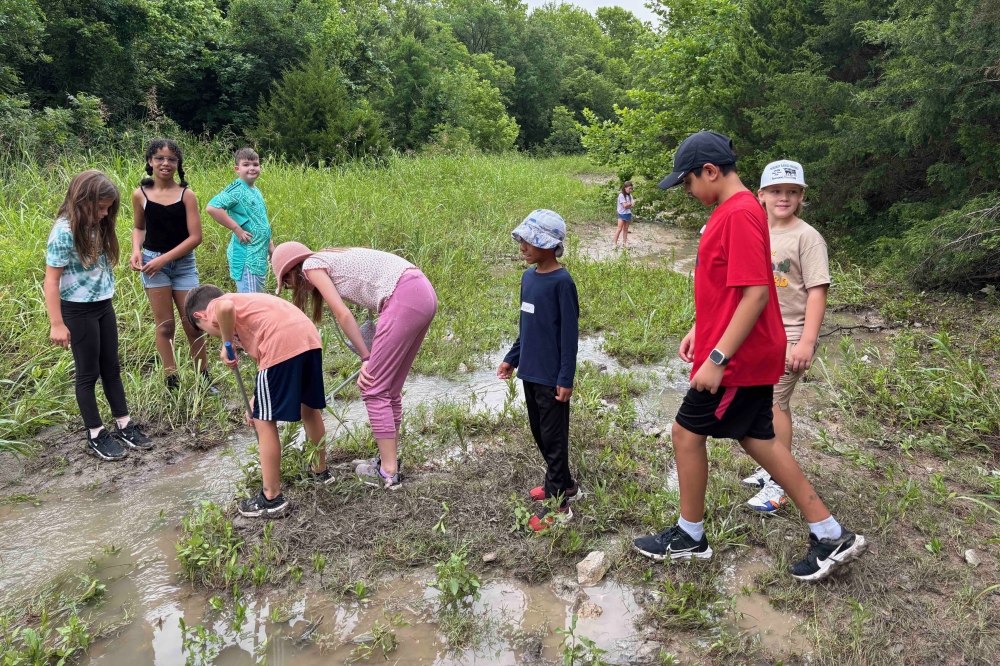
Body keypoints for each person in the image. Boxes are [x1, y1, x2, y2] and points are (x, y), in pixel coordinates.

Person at [632, 132, 865, 581]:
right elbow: (729, 288)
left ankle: (690, 535)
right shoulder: (737, 211)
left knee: (685, 433)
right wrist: (700, 329)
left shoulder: (738, 213)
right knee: (758, 438)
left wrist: (717, 358)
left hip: (738, 359)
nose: (687, 191)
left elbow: (757, 294)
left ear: (710, 171)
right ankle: (830, 532)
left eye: (687, 182)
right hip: (745, 350)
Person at [271, 242, 438, 490]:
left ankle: (388, 473)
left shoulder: (311, 266)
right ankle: (388, 461)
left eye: (286, 283)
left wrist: (366, 357)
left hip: (404, 296)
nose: (290, 288)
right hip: (422, 292)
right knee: (389, 389)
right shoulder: (328, 257)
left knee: (373, 387)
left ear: (290, 271)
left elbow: (343, 314)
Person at [186, 285, 332, 518]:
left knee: (264, 421)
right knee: (309, 410)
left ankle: (271, 497)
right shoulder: (249, 305)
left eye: (205, 330)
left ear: (200, 316)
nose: (212, 333)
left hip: (281, 344)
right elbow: (267, 368)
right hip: (308, 339)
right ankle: (320, 472)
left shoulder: (217, 305)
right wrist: (257, 398)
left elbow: (224, 307)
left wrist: (227, 343)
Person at [44, 170, 153, 461]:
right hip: (77, 310)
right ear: (82, 200)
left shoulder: (97, 225)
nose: (105, 214)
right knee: (88, 373)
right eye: (101, 208)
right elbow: (51, 281)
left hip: (104, 304)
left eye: (108, 208)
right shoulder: (63, 232)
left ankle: (124, 424)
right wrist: (57, 323)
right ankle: (95, 433)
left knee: (112, 368)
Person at [742, 160, 830, 513]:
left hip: (791, 334)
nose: (784, 197)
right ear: (760, 195)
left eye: (792, 191)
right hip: (759, 334)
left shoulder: (807, 237)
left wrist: (806, 341)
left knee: (775, 405)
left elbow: (817, 291)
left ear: (801, 196)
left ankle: (780, 483)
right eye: (776, 191)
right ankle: (772, 466)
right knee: (763, 403)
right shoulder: (756, 231)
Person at [497, 210, 580, 532]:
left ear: (548, 245)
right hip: (530, 373)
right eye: (521, 240)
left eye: (529, 241)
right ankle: (565, 484)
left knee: (554, 439)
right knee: (540, 433)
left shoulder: (562, 283)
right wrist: (512, 357)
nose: (522, 247)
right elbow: (526, 326)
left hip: (551, 378)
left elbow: (569, 337)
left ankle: (560, 507)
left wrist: (565, 378)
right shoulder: (528, 278)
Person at [129, 139, 209, 392]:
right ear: (150, 161)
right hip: (153, 266)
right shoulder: (140, 194)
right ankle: (172, 380)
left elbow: (195, 237)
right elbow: (139, 228)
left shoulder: (187, 195)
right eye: (160, 158)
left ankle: (204, 377)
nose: (166, 163)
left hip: (183, 265)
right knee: (165, 326)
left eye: (171, 159)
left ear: (178, 164)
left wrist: (163, 259)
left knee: (193, 323)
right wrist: (136, 250)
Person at [206, 148, 274, 293]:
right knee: (250, 302)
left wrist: (270, 246)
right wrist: (237, 229)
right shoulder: (235, 190)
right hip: (246, 257)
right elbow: (212, 207)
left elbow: (261, 221)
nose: (252, 168)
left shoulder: (255, 190)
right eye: (246, 165)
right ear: (237, 169)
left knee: (258, 299)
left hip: (258, 256)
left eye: (255, 164)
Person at [613, 181, 635, 248]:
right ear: (625, 188)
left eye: (631, 189)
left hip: (628, 213)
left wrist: (629, 205)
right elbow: (625, 205)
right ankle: (615, 243)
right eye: (629, 188)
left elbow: (632, 205)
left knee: (626, 229)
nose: (630, 190)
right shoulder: (621, 195)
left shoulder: (630, 195)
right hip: (622, 214)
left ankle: (624, 243)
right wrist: (629, 205)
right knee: (619, 229)